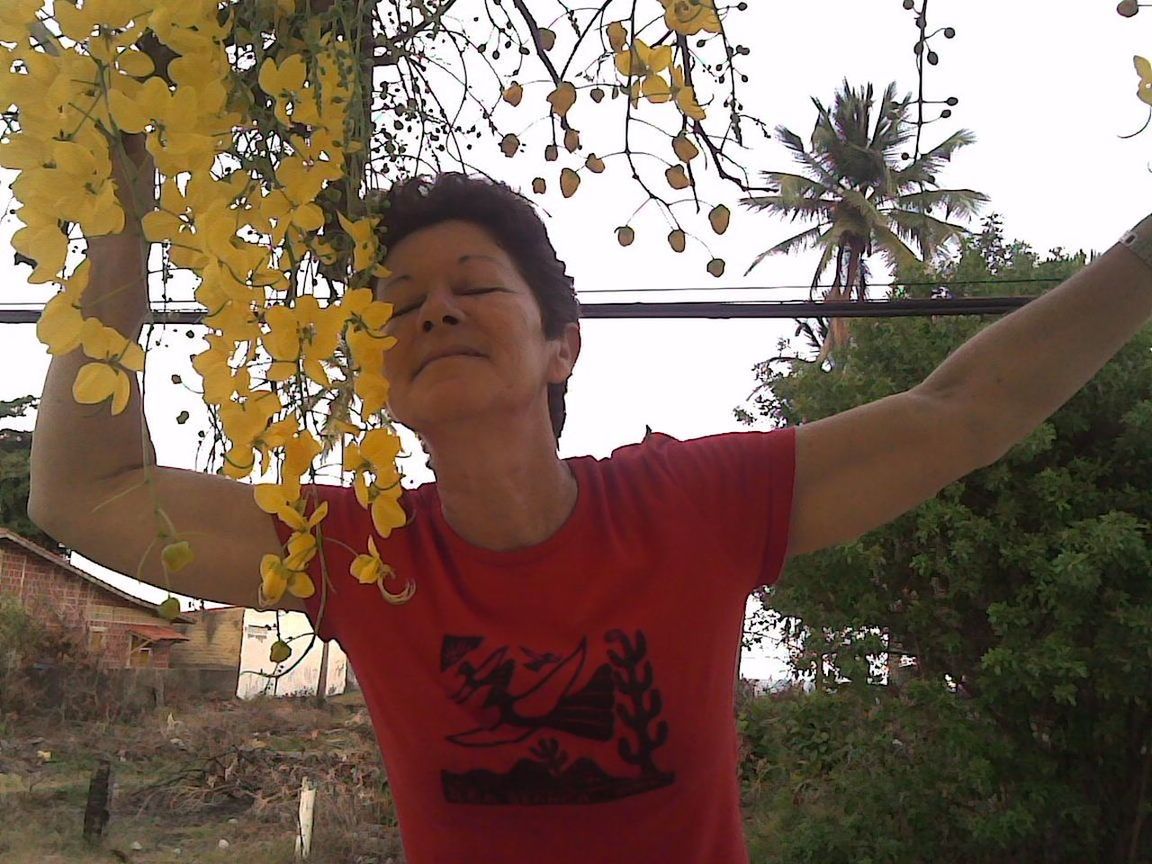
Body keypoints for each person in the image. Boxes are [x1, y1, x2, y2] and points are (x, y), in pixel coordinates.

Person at [26, 131, 1152, 862]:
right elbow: (88, 495)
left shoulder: (696, 504)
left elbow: (961, 413)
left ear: (564, 347)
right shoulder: (351, 547)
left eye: (474, 286)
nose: (433, 311)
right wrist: (121, 235)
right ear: (379, 373)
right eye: (400, 303)